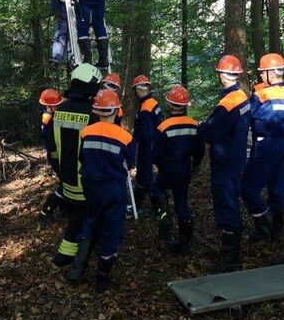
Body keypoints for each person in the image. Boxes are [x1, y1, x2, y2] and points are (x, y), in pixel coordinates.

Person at [66, 89, 136, 293]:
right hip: (113, 188)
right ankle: (102, 278)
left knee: (91, 219)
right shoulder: (125, 137)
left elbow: (82, 157)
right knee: (112, 227)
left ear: (96, 110)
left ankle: (78, 267)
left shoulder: (86, 132)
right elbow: (130, 163)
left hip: (90, 185)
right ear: (116, 110)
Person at [198, 55, 250, 273]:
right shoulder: (242, 96)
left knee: (226, 204)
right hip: (236, 158)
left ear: (222, 75)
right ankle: (232, 247)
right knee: (231, 202)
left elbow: (210, 133)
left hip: (226, 162)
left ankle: (231, 256)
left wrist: (201, 126)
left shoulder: (228, 104)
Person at [51, 64, 103, 267]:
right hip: (86, 181)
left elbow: (52, 149)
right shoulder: (93, 115)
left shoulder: (59, 111)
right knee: (85, 217)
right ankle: (70, 255)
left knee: (79, 213)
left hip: (66, 178)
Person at [241, 53, 284, 242]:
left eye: (263, 73)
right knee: (277, 186)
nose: (261, 76)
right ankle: (277, 229)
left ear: (271, 72)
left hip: (265, 145)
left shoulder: (260, 94)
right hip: (282, 144)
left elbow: (249, 117)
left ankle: (263, 227)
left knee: (247, 187)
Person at [153, 86, 205, 255]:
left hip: (167, 168)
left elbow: (156, 154)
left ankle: (165, 216)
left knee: (158, 190)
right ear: (185, 105)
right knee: (182, 201)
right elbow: (200, 149)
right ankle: (185, 242)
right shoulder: (195, 125)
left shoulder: (163, 126)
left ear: (170, 104)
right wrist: (196, 165)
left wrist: (161, 166)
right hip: (184, 169)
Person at [131, 75, 163, 214]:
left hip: (148, 147)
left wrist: (134, 138)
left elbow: (146, 134)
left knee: (146, 176)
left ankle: (159, 207)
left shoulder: (145, 108)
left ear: (138, 90)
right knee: (142, 176)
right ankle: (139, 204)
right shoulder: (153, 102)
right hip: (155, 143)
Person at [37, 88, 66, 224]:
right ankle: (47, 210)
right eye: (56, 105)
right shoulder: (48, 118)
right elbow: (49, 139)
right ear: (48, 105)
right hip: (55, 155)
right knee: (66, 183)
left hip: (59, 154)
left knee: (66, 182)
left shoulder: (54, 114)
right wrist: (56, 153)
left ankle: (65, 209)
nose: (58, 106)